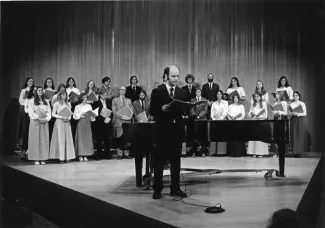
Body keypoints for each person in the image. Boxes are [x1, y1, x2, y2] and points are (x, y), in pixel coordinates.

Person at [150, 64, 188, 200]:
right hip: (162, 131)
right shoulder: (157, 91)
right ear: (166, 76)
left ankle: (175, 188)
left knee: (176, 162)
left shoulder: (181, 92)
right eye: (173, 76)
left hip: (176, 131)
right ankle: (157, 189)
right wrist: (161, 109)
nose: (176, 79)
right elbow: (152, 111)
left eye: (178, 76)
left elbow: (184, 110)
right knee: (159, 161)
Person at [132, 90, 153, 187]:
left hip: (147, 125)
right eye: (140, 94)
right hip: (139, 125)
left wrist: (147, 118)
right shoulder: (135, 103)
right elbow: (134, 113)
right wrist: (139, 119)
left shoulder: (148, 102)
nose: (141, 96)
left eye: (143, 94)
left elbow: (149, 112)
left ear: (145, 95)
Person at [27, 86, 51, 165]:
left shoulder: (46, 101)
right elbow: (31, 112)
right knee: (35, 140)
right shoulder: (31, 101)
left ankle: (43, 158)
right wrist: (38, 117)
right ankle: (36, 159)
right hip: (35, 122)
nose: (40, 92)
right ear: (36, 92)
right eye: (39, 90)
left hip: (44, 122)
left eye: (41, 90)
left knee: (43, 140)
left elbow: (49, 113)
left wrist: (46, 118)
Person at [49, 91, 76, 163]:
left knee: (67, 139)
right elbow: (53, 114)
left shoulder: (68, 104)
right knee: (60, 140)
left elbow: (70, 114)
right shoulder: (56, 103)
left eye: (65, 95)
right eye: (63, 94)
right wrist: (61, 117)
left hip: (66, 123)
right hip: (59, 122)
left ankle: (67, 157)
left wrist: (68, 118)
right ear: (60, 95)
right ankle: (61, 158)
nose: (64, 96)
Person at [112, 86, 134, 159]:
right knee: (119, 138)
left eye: (124, 90)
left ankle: (127, 153)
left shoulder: (129, 100)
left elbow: (132, 110)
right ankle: (120, 154)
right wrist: (122, 117)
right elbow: (114, 111)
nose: (123, 91)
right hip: (119, 121)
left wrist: (130, 117)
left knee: (127, 138)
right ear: (119, 91)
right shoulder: (115, 100)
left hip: (127, 121)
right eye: (121, 90)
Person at [73, 93, 95, 161]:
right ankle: (80, 155)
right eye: (84, 97)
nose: (85, 98)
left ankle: (86, 154)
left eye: (86, 97)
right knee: (81, 139)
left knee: (87, 139)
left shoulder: (89, 106)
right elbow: (74, 116)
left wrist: (92, 116)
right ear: (81, 98)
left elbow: (92, 116)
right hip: (81, 122)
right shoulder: (77, 106)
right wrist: (81, 113)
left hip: (87, 123)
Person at [92, 89, 113, 160]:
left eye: (106, 95)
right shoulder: (95, 103)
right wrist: (104, 119)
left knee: (107, 140)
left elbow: (111, 111)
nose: (105, 96)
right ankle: (99, 155)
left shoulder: (109, 102)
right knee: (99, 140)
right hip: (99, 124)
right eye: (104, 95)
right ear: (100, 95)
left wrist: (109, 118)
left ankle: (107, 154)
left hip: (108, 123)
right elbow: (96, 114)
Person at [247, 93, 269, 158]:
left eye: (258, 96)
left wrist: (260, 116)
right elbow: (249, 112)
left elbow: (265, 114)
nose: (256, 97)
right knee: (254, 137)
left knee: (260, 138)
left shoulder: (264, 104)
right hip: (254, 121)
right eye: (255, 96)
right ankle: (253, 152)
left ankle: (260, 152)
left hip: (261, 121)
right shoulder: (253, 104)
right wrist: (251, 115)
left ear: (260, 97)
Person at [189, 87, 208, 157]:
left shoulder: (204, 100)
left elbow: (205, 110)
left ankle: (203, 152)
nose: (198, 93)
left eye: (199, 92)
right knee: (195, 137)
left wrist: (199, 116)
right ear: (195, 93)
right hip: (195, 121)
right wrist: (195, 116)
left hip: (203, 120)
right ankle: (194, 152)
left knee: (202, 137)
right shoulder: (192, 100)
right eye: (197, 92)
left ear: (201, 92)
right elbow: (191, 109)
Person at [18, 77, 35, 158]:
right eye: (30, 81)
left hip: (34, 110)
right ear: (27, 82)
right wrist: (28, 100)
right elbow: (21, 101)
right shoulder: (24, 90)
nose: (31, 82)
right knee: (26, 128)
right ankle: (25, 149)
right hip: (26, 111)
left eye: (32, 81)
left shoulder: (35, 89)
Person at [210, 90, 228, 156]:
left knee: (221, 136)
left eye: (220, 94)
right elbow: (212, 113)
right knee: (214, 136)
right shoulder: (214, 103)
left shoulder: (225, 102)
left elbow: (226, 112)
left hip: (222, 121)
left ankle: (221, 152)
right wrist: (214, 119)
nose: (218, 95)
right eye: (217, 94)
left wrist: (221, 118)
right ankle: (213, 152)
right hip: (215, 121)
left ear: (222, 95)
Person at [289, 91, 307, 157]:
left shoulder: (302, 103)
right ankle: (294, 152)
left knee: (300, 135)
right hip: (293, 119)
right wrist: (291, 113)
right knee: (294, 135)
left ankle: (300, 152)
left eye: (296, 95)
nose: (295, 96)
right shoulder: (291, 104)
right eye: (294, 95)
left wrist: (297, 114)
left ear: (299, 96)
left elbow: (305, 113)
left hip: (300, 120)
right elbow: (290, 113)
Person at [66, 77, 80, 141]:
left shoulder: (76, 90)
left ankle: (73, 139)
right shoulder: (66, 89)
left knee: (73, 123)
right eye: (70, 81)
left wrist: (75, 100)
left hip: (74, 106)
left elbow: (79, 98)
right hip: (67, 106)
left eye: (72, 81)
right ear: (68, 82)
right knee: (67, 122)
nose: (71, 82)